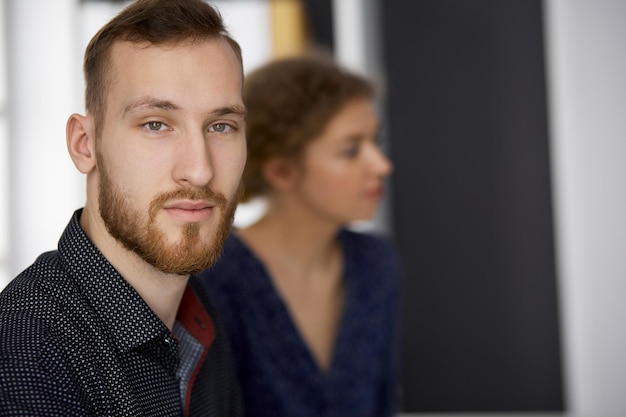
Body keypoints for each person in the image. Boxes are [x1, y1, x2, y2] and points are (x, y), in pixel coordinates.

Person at [0, 0, 246, 415]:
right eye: (155, 124)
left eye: (221, 126)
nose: (200, 170)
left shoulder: (201, 315)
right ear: (85, 144)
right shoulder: (28, 353)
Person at [198, 54, 402, 417]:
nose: (382, 165)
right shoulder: (215, 277)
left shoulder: (376, 263)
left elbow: (383, 402)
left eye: (376, 141)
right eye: (351, 149)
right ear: (281, 171)